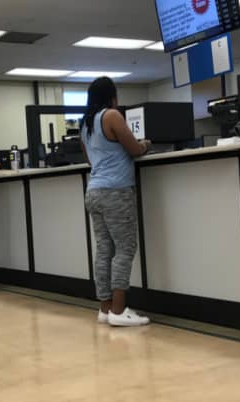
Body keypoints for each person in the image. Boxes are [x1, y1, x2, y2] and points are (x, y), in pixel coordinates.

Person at [81, 77, 152, 327]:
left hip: (94, 191)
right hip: (116, 192)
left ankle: (105, 308)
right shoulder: (112, 116)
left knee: (104, 250)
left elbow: (91, 161)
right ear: (112, 96)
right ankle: (119, 312)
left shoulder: (85, 124)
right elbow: (133, 149)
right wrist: (145, 144)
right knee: (124, 248)